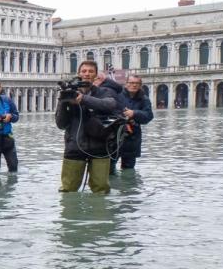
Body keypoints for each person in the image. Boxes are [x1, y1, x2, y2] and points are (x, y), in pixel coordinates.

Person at [55, 60, 119, 194]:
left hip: (100, 147)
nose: (87, 74)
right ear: (79, 73)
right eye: (84, 71)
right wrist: (63, 101)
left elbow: (110, 105)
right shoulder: (69, 92)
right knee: (68, 190)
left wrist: (83, 99)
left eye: (91, 71)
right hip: (74, 147)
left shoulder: (105, 92)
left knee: (101, 190)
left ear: (96, 75)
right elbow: (61, 124)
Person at [112, 75, 154, 172]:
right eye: (131, 83)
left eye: (137, 83)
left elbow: (149, 116)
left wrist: (134, 113)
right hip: (115, 137)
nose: (134, 85)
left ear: (140, 85)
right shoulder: (117, 95)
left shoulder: (144, 99)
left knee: (128, 170)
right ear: (126, 84)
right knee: (110, 168)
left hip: (132, 138)